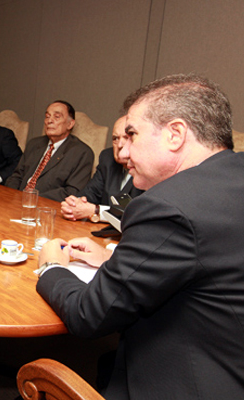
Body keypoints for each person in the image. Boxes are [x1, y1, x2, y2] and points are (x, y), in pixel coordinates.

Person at [36, 74, 244, 399]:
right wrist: (110, 257)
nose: (123, 152)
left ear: (175, 134)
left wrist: (50, 264)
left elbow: (88, 315)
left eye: (131, 135)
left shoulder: (168, 206)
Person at [6, 101, 93, 201]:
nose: (49, 121)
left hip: (47, 207)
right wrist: (10, 195)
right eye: (47, 116)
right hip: (17, 201)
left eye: (56, 117)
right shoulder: (34, 144)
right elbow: (17, 176)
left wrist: (32, 198)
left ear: (70, 124)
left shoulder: (82, 153)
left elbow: (72, 192)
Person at [61, 116, 144, 222]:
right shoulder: (107, 158)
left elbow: (138, 213)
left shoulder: (149, 165)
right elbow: (90, 193)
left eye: (126, 138)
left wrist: (96, 211)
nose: (119, 145)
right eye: (115, 138)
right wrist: (74, 204)